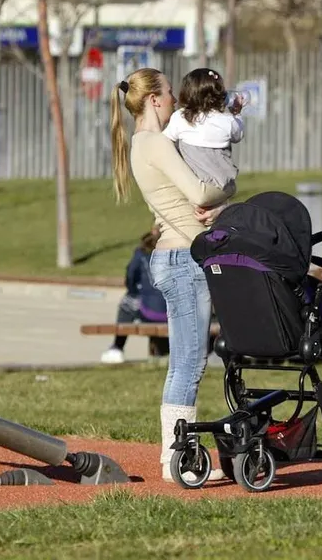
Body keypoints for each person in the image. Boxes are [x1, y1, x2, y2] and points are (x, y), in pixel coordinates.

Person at [110, 67, 234, 482]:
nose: (177, 100)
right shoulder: (156, 143)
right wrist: (230, 187)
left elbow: (168, 206)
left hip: (175, 255)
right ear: (154, 100)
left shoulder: (142, 144)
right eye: (169, 92)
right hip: (185, 261)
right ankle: (175, 457)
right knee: (188, 363)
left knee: (186, 361)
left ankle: (179, 453)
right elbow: (201, 192)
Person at [162, 68, 244, 195]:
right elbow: (238, 135)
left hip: (193, 182)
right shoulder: (228, 121)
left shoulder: (180, 117)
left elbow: (165, 140)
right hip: (222, 183)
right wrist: (236, 114)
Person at [100, 225, 168, 365]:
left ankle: (117, 348)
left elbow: (130, 276)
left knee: (128, 302)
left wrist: (134, 290)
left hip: (151, 312)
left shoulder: (142, 253)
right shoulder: (178, 250)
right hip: (175, 312)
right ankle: (164, 351)